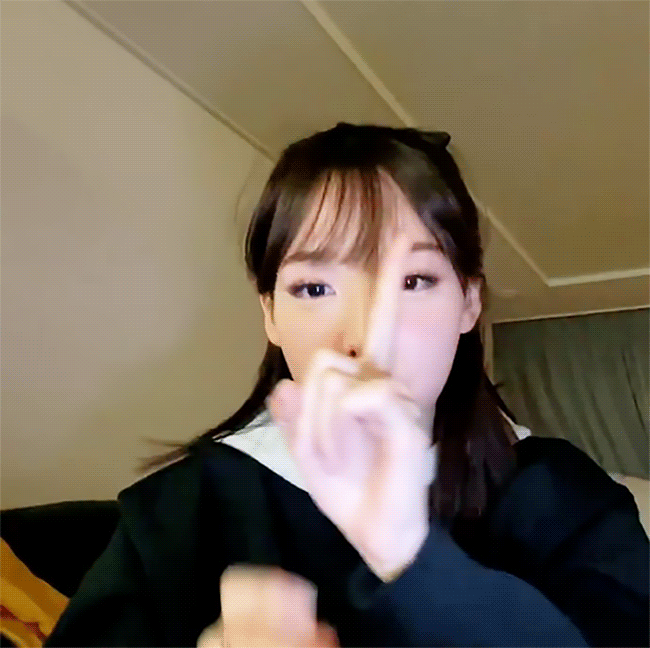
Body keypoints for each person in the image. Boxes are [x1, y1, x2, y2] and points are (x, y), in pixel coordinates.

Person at [45, 123, 649, 647]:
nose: (366, 338)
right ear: (270, 314)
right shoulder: (181, 510)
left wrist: (412, 558)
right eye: (315, 288)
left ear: (470, 302)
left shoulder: (566, 496)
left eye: (414, 280)